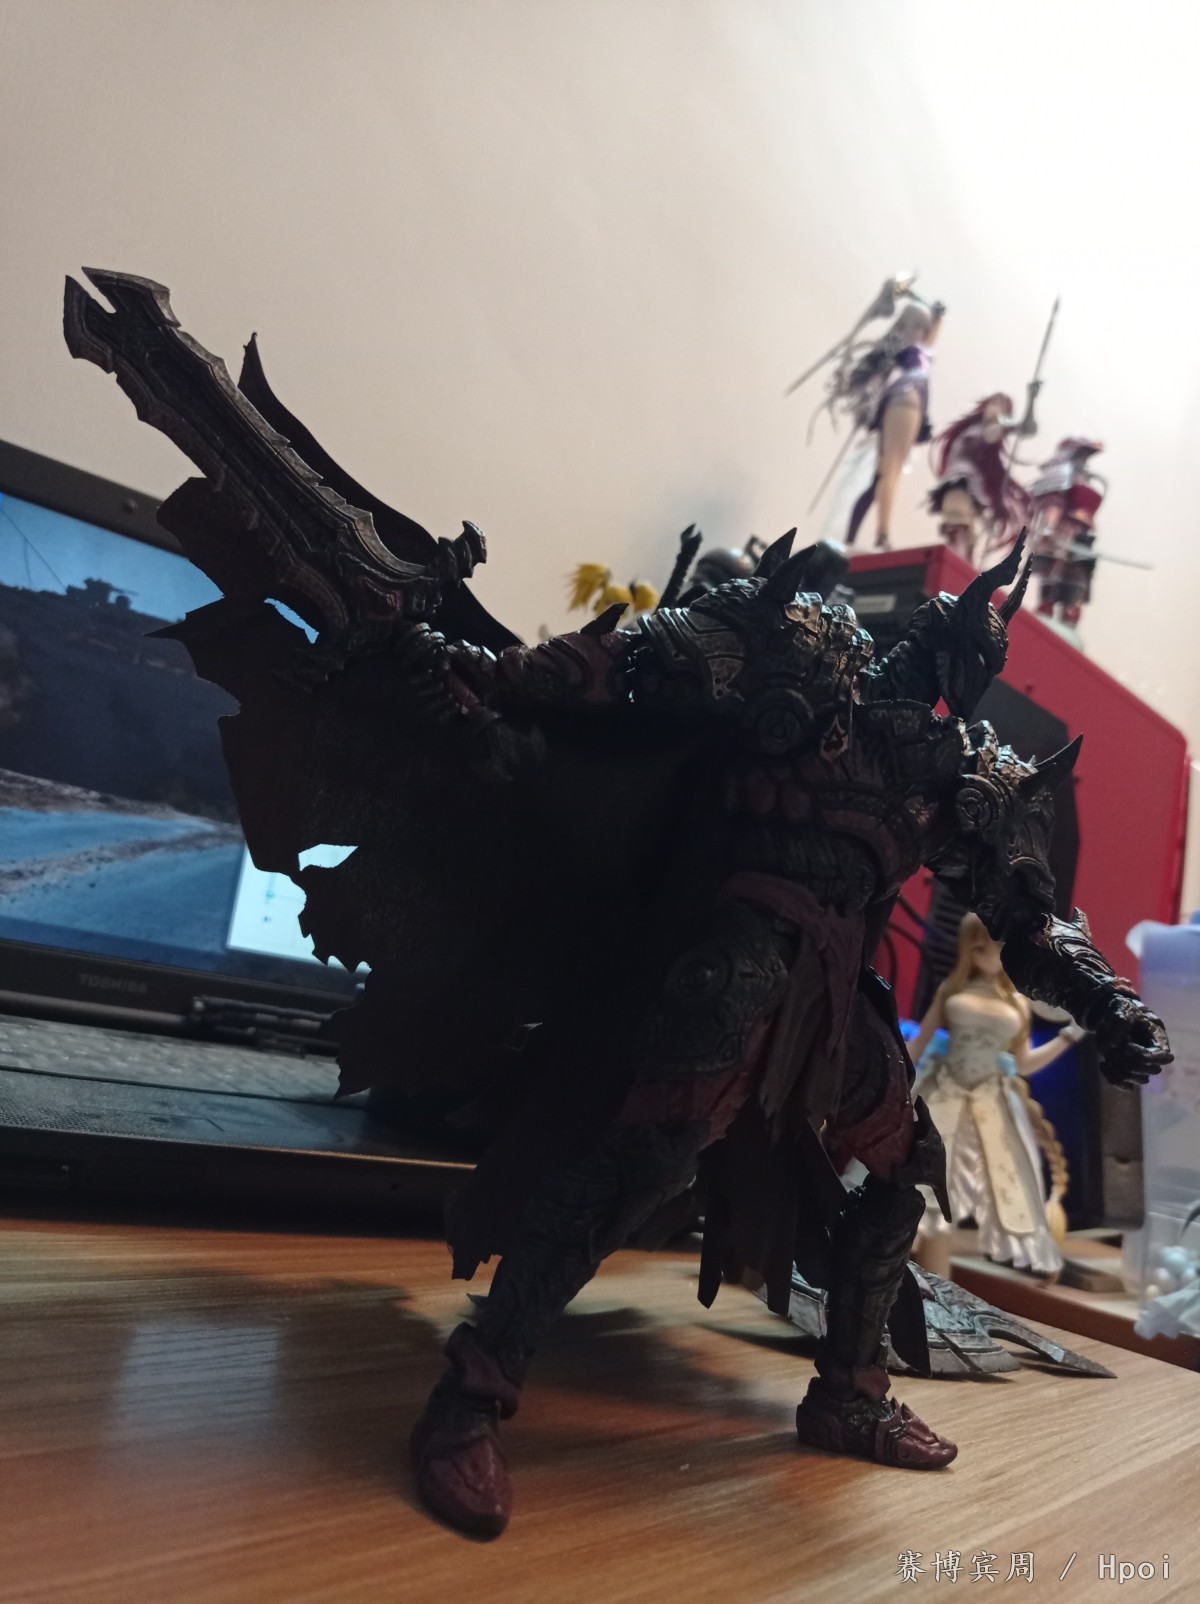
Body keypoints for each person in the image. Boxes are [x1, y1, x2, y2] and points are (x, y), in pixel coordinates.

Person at [907, 912, 1081, 1277]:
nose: (983, 948)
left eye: (993, 941)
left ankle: (935, 1289)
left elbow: (1024, 1063)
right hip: (943, 1092)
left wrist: (1069, 1036)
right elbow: (918, 1045)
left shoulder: (1017, 1003)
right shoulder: (952, 990)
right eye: (977, 941)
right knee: (921, 1195)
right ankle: (898, 1281)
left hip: (991, 1103)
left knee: (956, 1204)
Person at [927, 388, 1038, 563]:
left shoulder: (990, 429)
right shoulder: (975, 429)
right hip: (955, 487)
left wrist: (1031, 401)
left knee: (964, 539)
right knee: (958, 536)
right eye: (994, 402)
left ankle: (960, 572)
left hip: (966, 490)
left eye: (1002, 407)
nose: (995, 408)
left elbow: (1026, 429)